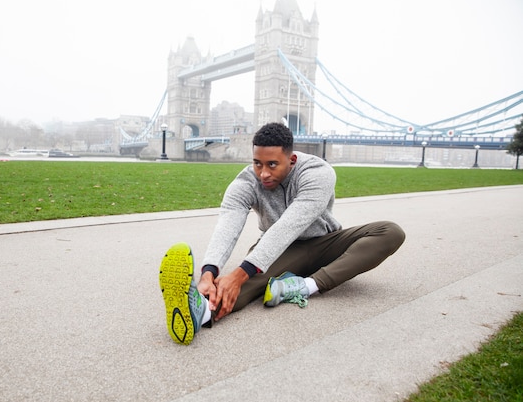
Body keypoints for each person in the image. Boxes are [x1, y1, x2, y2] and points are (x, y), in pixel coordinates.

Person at [159, 122, 405, 345]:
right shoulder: (245, 182)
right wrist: (208, 273)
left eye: (272, 164)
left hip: (326, 243)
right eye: (257, 163)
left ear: (292, 159)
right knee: (248, 281)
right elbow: (228, 225)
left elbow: (290, 225)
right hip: (283, 250)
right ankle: (201, 310)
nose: (263, 173)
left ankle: (304, 286)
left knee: (390, 232)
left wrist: (239, 273)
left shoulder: (318, 173)